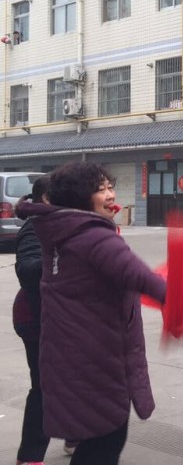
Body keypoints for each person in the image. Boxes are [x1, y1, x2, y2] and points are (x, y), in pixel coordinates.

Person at [17, 162, 167, 465]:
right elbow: (143, 279)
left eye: (110, 186)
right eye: (101, 189)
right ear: (79, 196)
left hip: (69, 351)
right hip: (98, 356)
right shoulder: (94, 237)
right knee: (106, 438)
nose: (111, 194)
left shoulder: (59, 231)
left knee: (96, 439)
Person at [12, 176, 51, 465]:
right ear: (48, 199)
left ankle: (75, 434)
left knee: (72, 381)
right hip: (34, 319)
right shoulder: (33, 228)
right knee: (43, 386)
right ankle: (30, 456)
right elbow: (27, 270)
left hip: (63, 318)